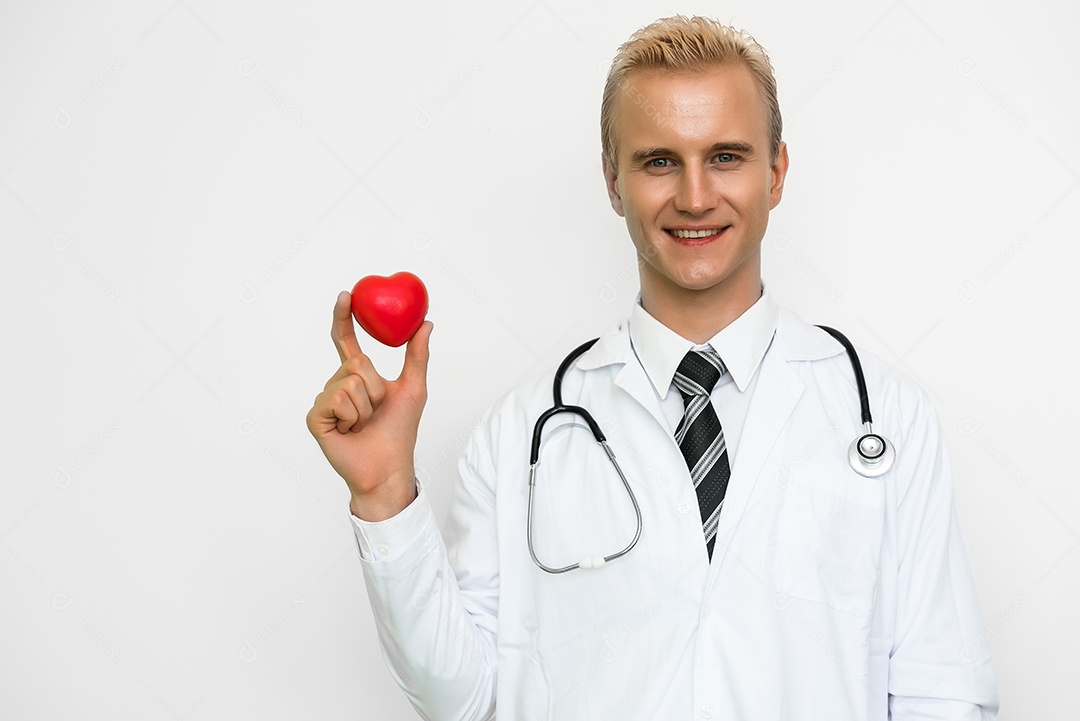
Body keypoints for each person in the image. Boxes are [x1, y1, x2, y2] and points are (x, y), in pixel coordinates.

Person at [306, 15, 999, 720]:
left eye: (726, 156)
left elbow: (944, 691)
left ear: (777, 172)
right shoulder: (518, 435)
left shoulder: (887, 419)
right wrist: (387, 495)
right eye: (659, 161)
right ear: (613, 181)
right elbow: (466, 699)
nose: (695, 196)